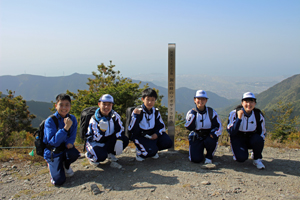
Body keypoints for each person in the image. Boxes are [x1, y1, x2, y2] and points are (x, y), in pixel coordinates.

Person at [44, 93, 80, 186]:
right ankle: (52, 165)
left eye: (67, 105)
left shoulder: (72, 118)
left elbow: (72, 135)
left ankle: (66, 165)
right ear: (56, 106)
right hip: (53, 152)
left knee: (74, 153)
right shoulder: (50, 121)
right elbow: (53, 142)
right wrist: (65, 129)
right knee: (59, 181)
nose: (64, 108)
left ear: (70, 106)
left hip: (64, 149)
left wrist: (70, 143)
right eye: (61, 105)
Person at [128, 88, 173, 161]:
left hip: (151, 135)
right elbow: (131, 129)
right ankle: (140, 152)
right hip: (140, 136)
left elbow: (161, 126)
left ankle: (152, 148)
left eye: (152, 100)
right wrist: (136, 116)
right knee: (150, 152)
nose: (150, 102)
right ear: (143, 99)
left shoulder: (155, 112)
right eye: (147, 99)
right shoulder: (137, 111)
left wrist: (157, 134)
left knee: (168, 142)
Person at [85, 94, 129, 166]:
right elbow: (96, 138)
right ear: (99, 104)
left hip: (109, 139)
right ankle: (90, 155)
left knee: (125, 139)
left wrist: (119, 139)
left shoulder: (114, 116)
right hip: (95, 142)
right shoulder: (94, 119)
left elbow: (120, 129)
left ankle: (110, 153)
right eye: (104, 104)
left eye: (109, 104)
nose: (106, 107)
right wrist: (102, 131)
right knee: (101, 156)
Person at [227, 92, 266, 169]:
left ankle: (257, 159)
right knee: (241, 159)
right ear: (242, 103)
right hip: (238, 137)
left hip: (252, 136)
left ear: (255, 103)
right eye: (246, 102)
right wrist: (239, 118)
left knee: (258, 139)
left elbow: (262, 131)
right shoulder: (234, 113)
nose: (249, 104)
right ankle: (239, 152)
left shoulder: (258, 114)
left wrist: (259, 144)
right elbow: (231, 132)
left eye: (251, 102)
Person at [185, 90, 223, 164]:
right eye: (198, 99)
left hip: (209, 135)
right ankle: (199, 152)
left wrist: (214, 134)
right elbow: (189, 127)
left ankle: (209, 156)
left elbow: (219, 126)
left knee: (211, 141)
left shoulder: (211, 112)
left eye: (203, 99)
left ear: (206, 100)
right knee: (195, 159)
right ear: (194, 100)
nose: (200, 101)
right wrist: (193, 115)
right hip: (196, 135)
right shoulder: (191, 112)